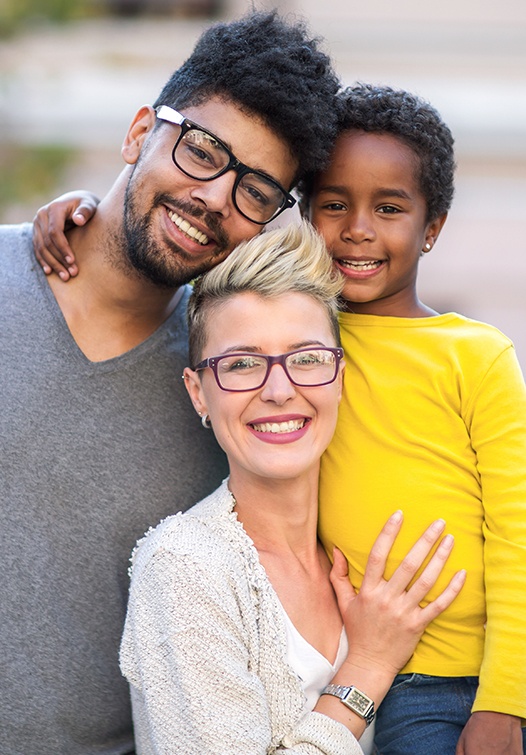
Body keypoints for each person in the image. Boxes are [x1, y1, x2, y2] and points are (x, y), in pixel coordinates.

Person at [0, 12, 342, 754]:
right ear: (137, 134)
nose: (217, 197)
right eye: (203, 151)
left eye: (256, 190)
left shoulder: (234, 385)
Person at [119, 219, 466, 754]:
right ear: (198, 393)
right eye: (240, 364)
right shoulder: (185, 566)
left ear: (341, 376)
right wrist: (368, 667)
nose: (280, 390)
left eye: (306, 359)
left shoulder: (371, 543)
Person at [305, 84, 526, 754]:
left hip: (479, 676)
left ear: (432, 227)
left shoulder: (476, 354)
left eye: (390, 207)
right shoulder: (296, 343)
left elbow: (518, 528)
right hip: (392, 676)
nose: (358, 228)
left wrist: (504, 704)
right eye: (333, 204)